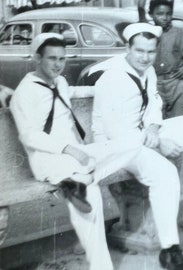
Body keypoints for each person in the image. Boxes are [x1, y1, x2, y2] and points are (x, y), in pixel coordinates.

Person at [93, 22, 183, 270]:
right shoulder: (112, 78)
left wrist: (154, 128)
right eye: (139, 51)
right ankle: (169, 250)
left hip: (142, 135)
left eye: (150, 52)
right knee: (166, 174)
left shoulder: (147, 71)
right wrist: (159, 141)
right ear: (127, 47)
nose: (145, 57)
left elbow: (153, 106)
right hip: (116, 146)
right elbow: (115, 132)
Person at [10, 33, 140, 270]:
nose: (58, 64)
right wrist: (68, 149)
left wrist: (101, 89)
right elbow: (29, 136)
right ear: (37, 59)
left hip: (77, 154)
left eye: (62, 58)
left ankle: (79, 180)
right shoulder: (24, 93)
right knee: (92, 194)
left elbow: (71, 93)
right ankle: (79, 181)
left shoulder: (59, 83)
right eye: (52, 58)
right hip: (48, 160)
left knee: (132, 144)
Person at [138, 0, 183, 118]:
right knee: (156, 121)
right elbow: (140, 7)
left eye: (168, 14)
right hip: (154, 84)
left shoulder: (179, 34)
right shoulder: (147, 32)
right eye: (159, 14)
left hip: (177, 83)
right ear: (151, 14)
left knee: (179, 123)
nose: (165, 18)